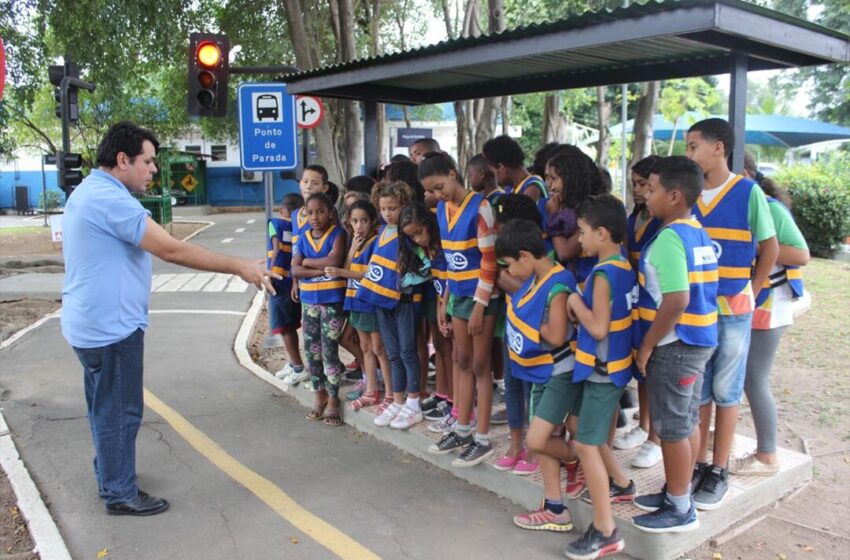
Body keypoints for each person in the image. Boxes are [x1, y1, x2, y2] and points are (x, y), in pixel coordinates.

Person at [61, 121, 276, 516]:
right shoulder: (112, 200)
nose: (154, 170)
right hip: (111, 328)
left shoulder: (90, 191)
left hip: (90, 323)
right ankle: (119, 492)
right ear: (123, 160)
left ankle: (111, 475)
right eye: (148, 161)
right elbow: (172, 251)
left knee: (104, 406)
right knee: (121, 410)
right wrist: (239, 266)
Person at [686, 118, 778, 510]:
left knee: (726, 390)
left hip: (734, 310)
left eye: (693, 146)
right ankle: (697, 464)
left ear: (718, 147)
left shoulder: (747, 192)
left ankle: (718, 469)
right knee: (700, 390)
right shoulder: (688, 196)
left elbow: (769, 249)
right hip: (697, 310)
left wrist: (751, 294)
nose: (688, 154)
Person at [631, 156, 719, 533]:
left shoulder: (669, 238)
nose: (646, 196)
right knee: (685, 421)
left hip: (676, 343)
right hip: (698, 340)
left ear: (676, 196)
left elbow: (677, 299)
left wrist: (648, 345)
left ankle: (681, 508)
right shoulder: (696, 230)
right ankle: (677, 491)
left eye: (652, 189)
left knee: (672, 428)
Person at [564, 194, 636, 559]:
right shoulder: (623, 266)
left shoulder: (603, 274)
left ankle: (606, 530)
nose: (579, 239)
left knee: (586, 444)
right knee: (586, 431)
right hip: (613, 369)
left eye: (583, 232)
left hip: (602, 373)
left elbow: (597, 326)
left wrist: (574, 301)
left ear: (602, 233)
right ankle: (622, 483)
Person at [495, 219, 577, 532]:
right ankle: (554, 507)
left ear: (526, 255)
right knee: (545, 440)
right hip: (541, 371)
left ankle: (580, 455)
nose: (510, 272)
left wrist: (527, 328)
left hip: (558, 371)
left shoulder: (558, 282)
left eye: (511, 264)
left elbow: (556, 335)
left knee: (537, 439)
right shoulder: (536, 277)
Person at [730, 153, 809, 476]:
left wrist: (759, 244)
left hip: (767, 304)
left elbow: (801, 254)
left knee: (754, 379)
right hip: (749, 304)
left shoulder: (772, 209)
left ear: (746, 173)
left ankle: (767, 454)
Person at [420, 152, 499, 467]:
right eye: (432, 191)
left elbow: (489, 263)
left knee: (481, 366)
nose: (438, 195)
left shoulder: (481, 208)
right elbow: (452, 262)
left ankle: (481, 438)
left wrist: (480, 306)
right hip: (458, 297)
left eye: (440, 186)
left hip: (482, 299)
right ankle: (462, 429)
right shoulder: (442, 209)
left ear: (453, 173)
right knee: (460, 360)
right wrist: (445, 301)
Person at [358, 181, 424, 430]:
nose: (387, 213)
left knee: (407, 351)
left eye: (393, 208)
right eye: (383, 208)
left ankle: (413, 402)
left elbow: (424, 265)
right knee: (393, 352)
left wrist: (406, 281)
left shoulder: (407, 234)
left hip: (403, 300)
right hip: (380, 300)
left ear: (404, 206)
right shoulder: (383, 232)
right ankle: (397, 400)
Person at [614, 155, 664, 469]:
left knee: (657, 373)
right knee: (643, 372)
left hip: (658, 308)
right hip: (637, 307)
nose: (638, 190)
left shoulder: (663, 223)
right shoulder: (635, 219)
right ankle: (644, 426)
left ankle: (656, 439)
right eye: (634, 183)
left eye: (644, 184)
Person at [490, 194, 544, 475]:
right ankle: (515, 444)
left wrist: (504, 278)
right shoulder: (511, 257)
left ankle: (534, 449)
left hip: (534, 333)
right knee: (511, 384)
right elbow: (506, 281)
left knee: (530, 389)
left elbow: (522, 286)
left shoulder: (541, 254)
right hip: (513, 325)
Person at [324, 199, 391, 411]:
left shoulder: (376, 242)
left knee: (379, 349)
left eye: (363, 220)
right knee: (365, 347)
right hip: (355, 301)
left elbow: (369, 274)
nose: (359, 225)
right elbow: (347, 266)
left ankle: (390, 393)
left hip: (370, 300)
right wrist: (352, 246)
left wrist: (342, 273)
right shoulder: (357, 242)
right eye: (355, 221)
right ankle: (371, 391)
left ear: (372, 221)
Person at [291, 193, 348, 427]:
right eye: (310, 212)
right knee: (311, 349)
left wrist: (306, 263)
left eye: (320, 211)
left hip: (331, 298)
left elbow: (334, 260)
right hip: (308, 300)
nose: (315, 217)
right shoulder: (303, 237)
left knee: (329, 349)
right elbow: (294, 270)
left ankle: (334, 397)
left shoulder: (338, 234)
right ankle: (319, 393)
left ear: (330, 212)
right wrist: (317, 268)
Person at [398, 203, 455, 428]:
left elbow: (451, 276)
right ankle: (444, 395)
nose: (418, 239)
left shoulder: (443, 244)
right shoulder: (423, 248)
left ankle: (453, 401)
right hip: (439, 298)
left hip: (450, 300)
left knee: (451, 352)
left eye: (420, 232)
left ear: (429, 224)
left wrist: (444, 306)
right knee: (441, 347)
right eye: (412, 236)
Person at [544, 146, 605, 287]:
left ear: (571, 178)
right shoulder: (567, 208)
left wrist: (553, 216)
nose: (550, 186)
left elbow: (564, 252)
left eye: (554, 178)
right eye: (547, 179)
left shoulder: (591, 209)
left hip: (592, 284)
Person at [266, 193, 306, 384]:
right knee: (290, 323)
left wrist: (270, 274)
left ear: (282, 210)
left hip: (279, 280)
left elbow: (276, 249)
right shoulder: (299, 227)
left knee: (283, 326)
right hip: (293, 280)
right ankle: (292, 363)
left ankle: (298, 366)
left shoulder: (275, 223)